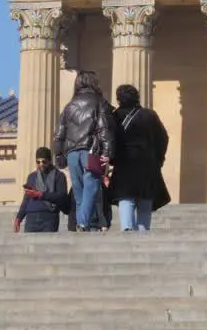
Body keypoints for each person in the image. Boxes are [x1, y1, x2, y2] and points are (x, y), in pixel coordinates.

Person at [52, 71, 115, 233]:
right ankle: (82, 223)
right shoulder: (99, 102)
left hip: (72, 153)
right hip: (91, 151)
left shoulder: (69, 106)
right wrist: (107, 152)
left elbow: (59, 133)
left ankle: (82, 224)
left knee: (79, 191)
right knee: (92, 187)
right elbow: (104, 129)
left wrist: (59, 156)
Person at [109, 84, 171, 232]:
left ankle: (127, 228)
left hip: (124, 162)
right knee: (145, 199)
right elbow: (163, 138)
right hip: (147, 162)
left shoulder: (114, 116)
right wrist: (159, 159)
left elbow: (109, 139)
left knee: (126, 197)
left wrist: (112, 158)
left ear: (119, 99)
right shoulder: (150, 115)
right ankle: (143, 231)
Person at [15, 147, 71, 233]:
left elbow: (61, 196)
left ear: (49, 161)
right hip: (32, 218)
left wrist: (41, 195)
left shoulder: (59, 176)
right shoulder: (32, 177)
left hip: (49, 217)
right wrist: (18, 218)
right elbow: (26, 199)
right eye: (38, 162)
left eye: (44, 161)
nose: (41, 164)